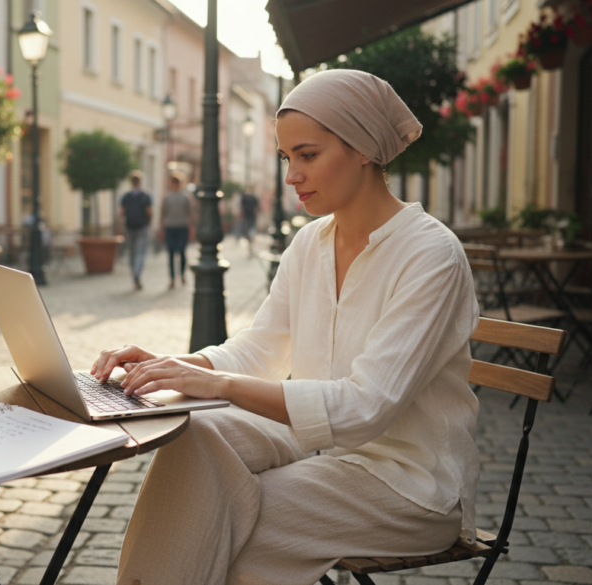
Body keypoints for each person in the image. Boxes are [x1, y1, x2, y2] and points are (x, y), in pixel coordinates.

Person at [91, 69, 480, 584]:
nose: (292, 175)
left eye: (308, 155)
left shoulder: (431, 255)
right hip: (319, 445)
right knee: (195, 432)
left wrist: (218, 384)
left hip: (407, 482)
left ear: (363, 147)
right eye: (286, 158)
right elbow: (263, 348)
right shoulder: (311, 242)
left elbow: (366, 407)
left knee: (222, 522)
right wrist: (179, 366)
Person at [119, 171, 153, 291]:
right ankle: (137, 273)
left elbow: (121, 213)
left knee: (132, 253)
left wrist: (120, 227)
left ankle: (134, 273)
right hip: (142, 227)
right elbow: (149, 212)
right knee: (140, 253)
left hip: (130, 227)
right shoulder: (146, 196)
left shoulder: (126, 196)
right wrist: (149, 224)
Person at [160, 172, 193, 289]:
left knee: (182, 252)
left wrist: (192, 228)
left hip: (182, 227)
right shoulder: (167, 198)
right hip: (170, 227)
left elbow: (190, 213)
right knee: (171, 254)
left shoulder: (185, 198)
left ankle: (182, 274)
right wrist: (161, 228)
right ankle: (172, 278)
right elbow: (162, 214)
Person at [240, 191, 260, 257]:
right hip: (248, 216)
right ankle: (250, 244)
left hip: (250, 216)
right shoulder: (245, 197)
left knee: (251, 231)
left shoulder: (250, 197)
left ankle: (251, 244)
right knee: (249, 231)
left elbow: (257, 206)